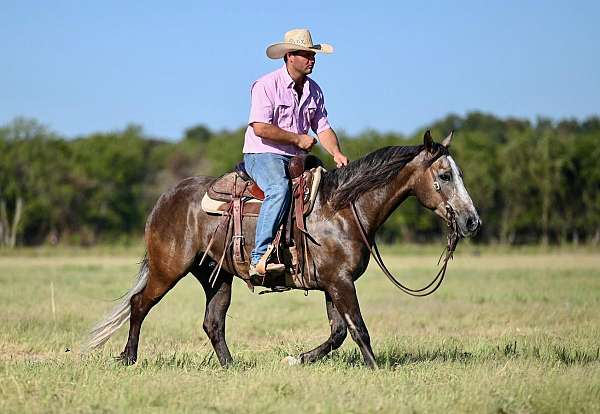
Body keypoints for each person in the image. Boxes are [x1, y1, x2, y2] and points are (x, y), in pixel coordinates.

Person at [243, 28, 349, 277]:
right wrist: (297, 139)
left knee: (327, 189)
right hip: (263, 154)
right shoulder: (266, 85)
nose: (312, 60)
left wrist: (336, 153)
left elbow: (322, 127)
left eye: (313, 56)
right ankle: (258, 257)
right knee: (278, 189)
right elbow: (260, 128)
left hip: (296, 158)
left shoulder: (315, 90)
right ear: (290, 56)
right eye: (306, 55)